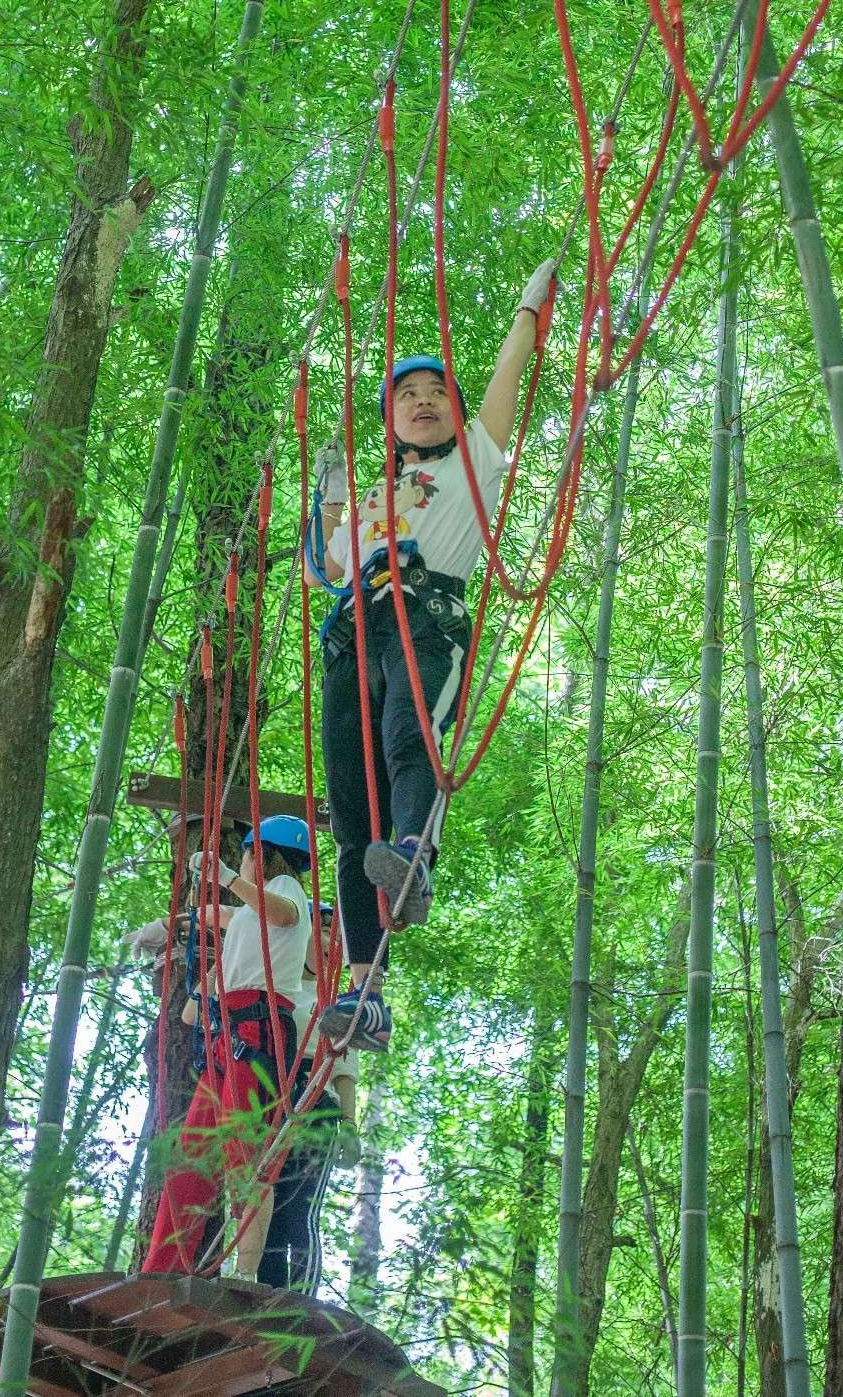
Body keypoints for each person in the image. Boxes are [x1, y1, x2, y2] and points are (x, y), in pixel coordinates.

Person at [307, 258, 556, 1052]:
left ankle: (416, 854)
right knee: (350, 817)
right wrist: (331, 485)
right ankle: (365, 991)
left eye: (434, 393)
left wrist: (527, 308)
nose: (422, 403)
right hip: (352, 638)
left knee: (412, 739)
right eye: (406, 397)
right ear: (390, 419)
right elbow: (328, 568)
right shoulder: (380, 490)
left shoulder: (474, 463)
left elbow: (507, 379)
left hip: (425, 618)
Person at [140, 814, 313, 1281]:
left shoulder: (287, 891)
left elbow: (281, 913)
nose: (242, 862)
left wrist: (226, 878)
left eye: (245, 855)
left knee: (244, 1157)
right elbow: (218, 915)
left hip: (256, 1032)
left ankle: (245, 1275)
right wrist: (166, 925)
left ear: (261, 855)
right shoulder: (253, 914)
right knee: (190, 1162)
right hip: (229, 1034)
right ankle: (161, 1270)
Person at [258, 902, 362, 1294]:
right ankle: (266, 1292)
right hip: (271, 1100)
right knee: (266, 1204)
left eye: (330, 938)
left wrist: (350, 1124)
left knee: (299, 1211)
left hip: (316, 1105)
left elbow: (345, 1069)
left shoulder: (333, 1005)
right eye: (317, 933)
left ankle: (303, 1299)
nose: (322, 943)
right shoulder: (275, 988)